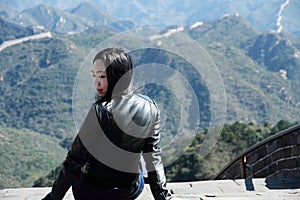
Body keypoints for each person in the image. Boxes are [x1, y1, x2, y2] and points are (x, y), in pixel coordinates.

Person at [42, 47, 173, 200]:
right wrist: (163, 197)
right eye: (94, 76)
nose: (96, 83)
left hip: (92, 193)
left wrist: (53, 197)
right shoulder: (150, 106)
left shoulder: (100, 111)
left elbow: (74, 162)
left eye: (102, 76)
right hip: (129, 190)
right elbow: (153, 156)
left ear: (118, 77)